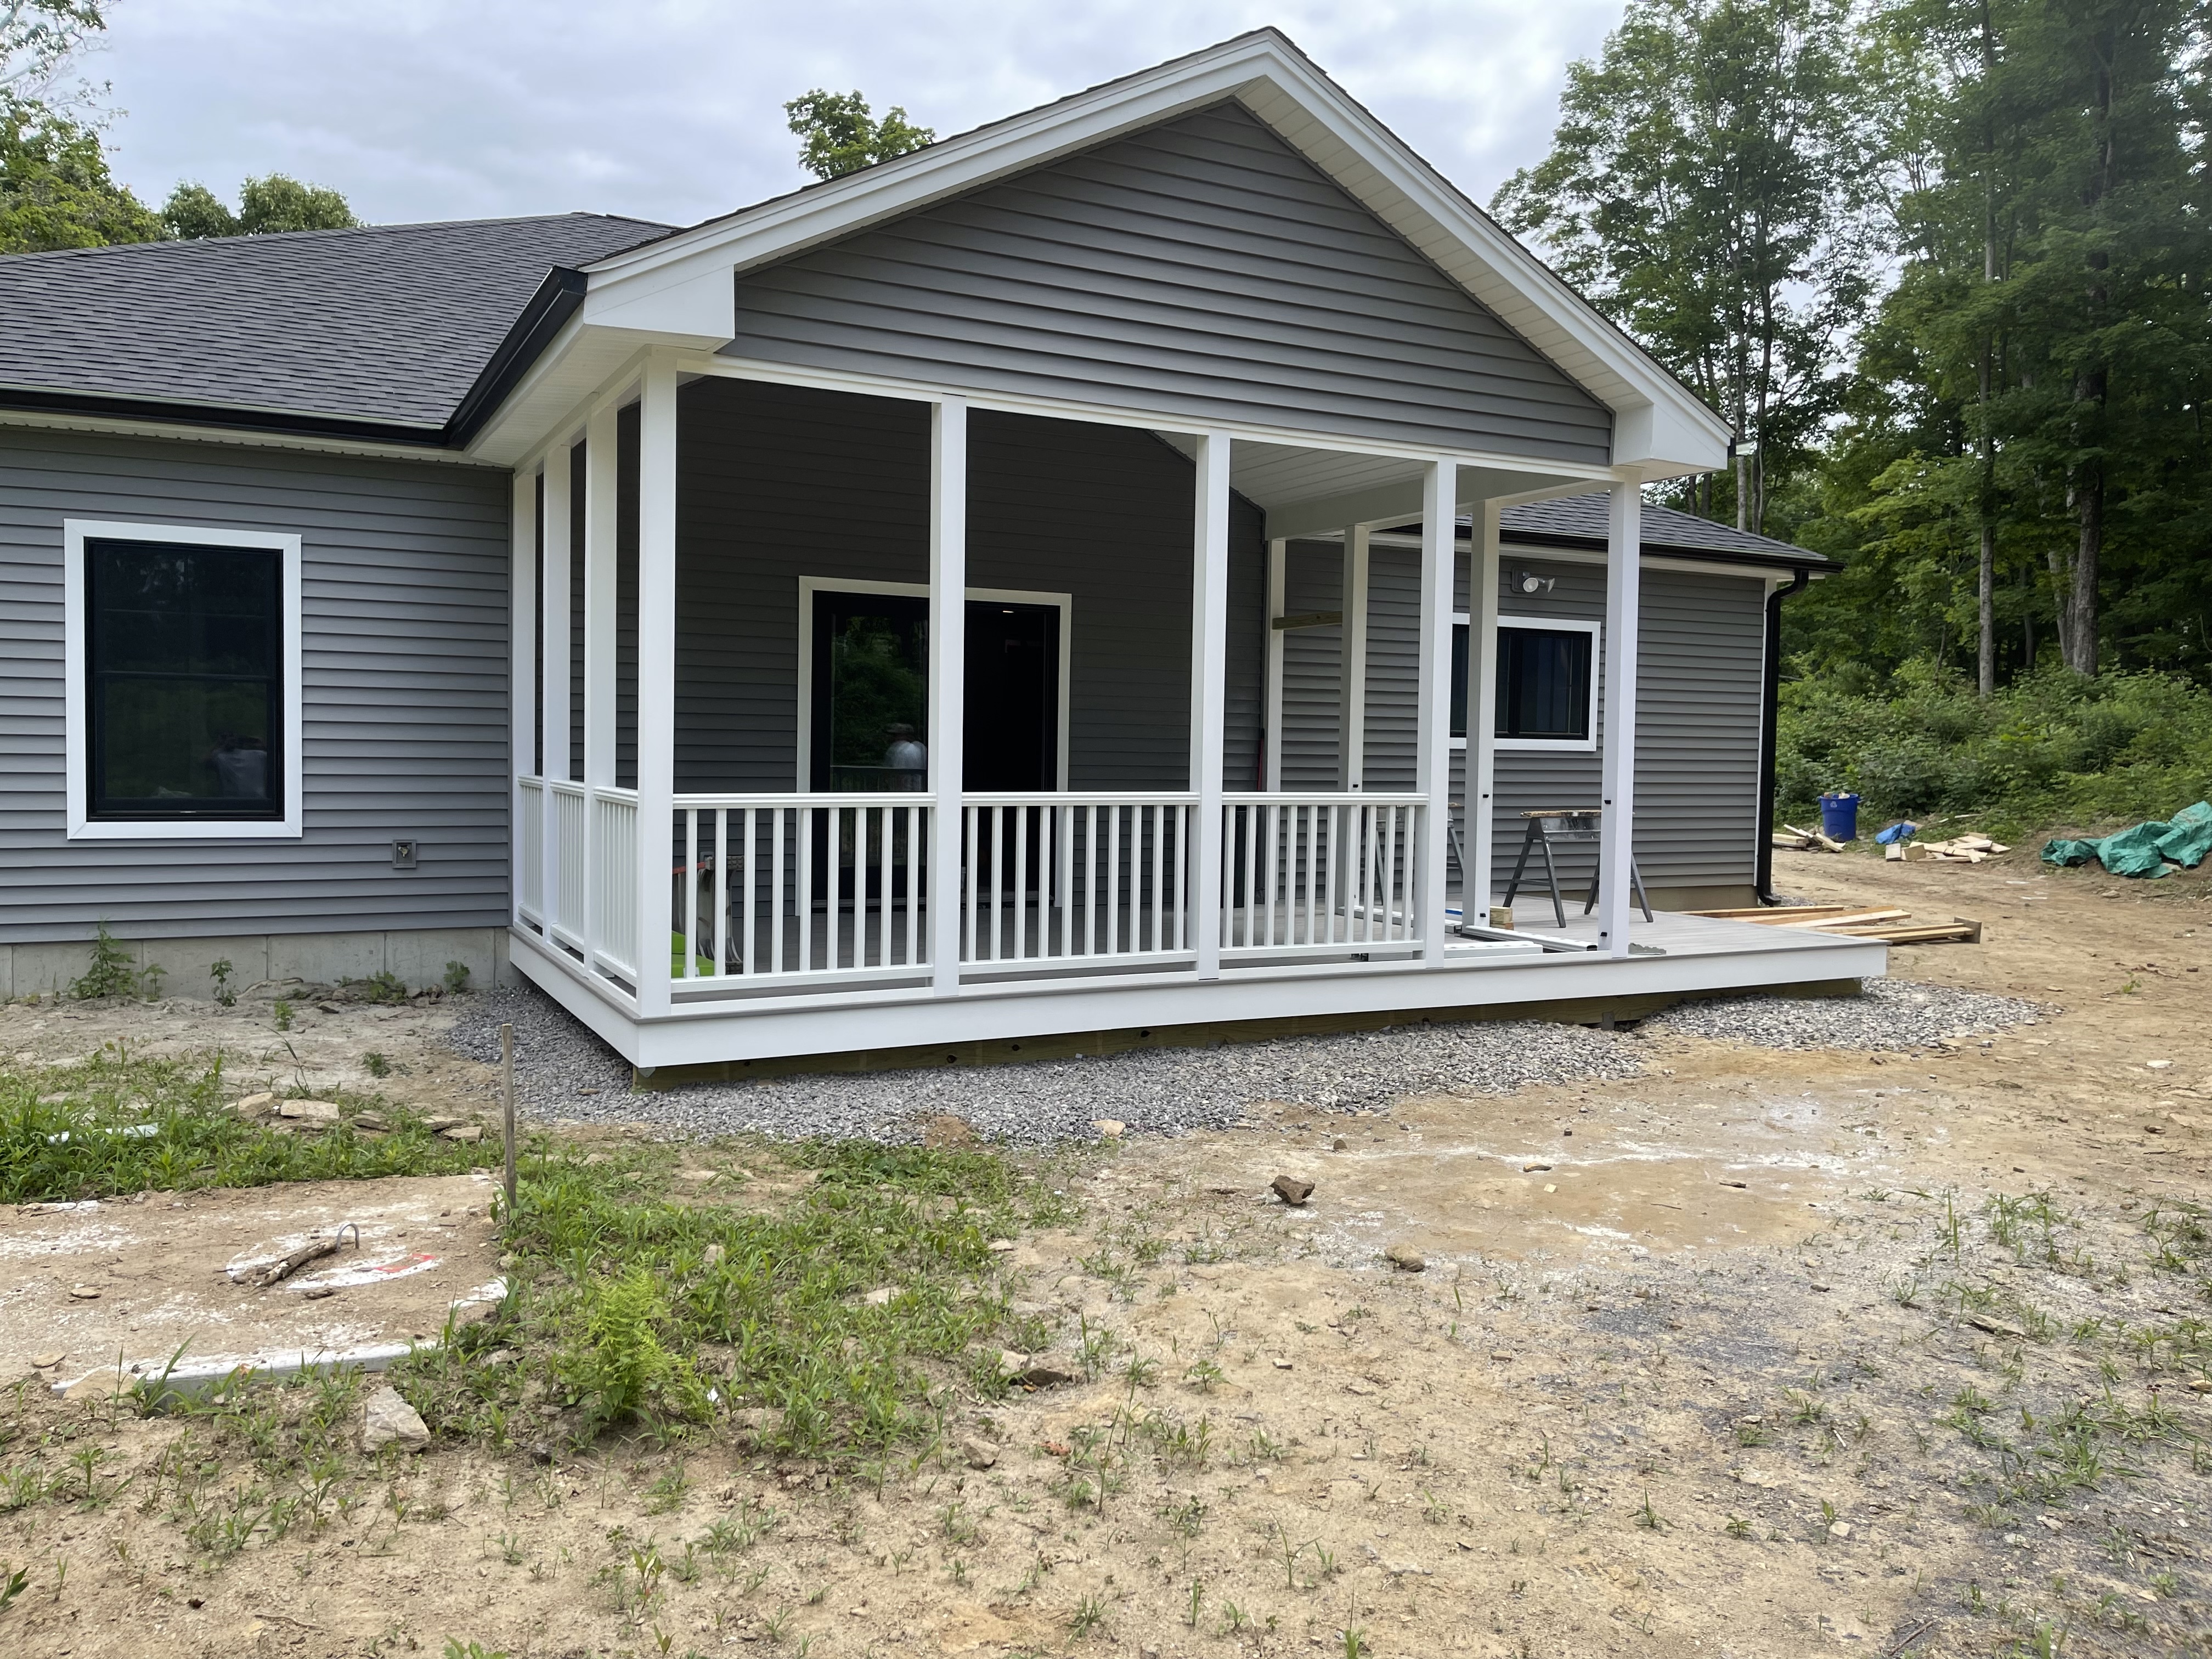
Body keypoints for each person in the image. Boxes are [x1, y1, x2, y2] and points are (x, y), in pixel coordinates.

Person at [211, 733, 269, 800]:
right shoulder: (222, 757)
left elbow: (277, 758)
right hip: (236, 801)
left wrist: (258, 742)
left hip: (255, 800)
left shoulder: (259, 755)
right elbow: (204, 762)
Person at [884, 723, 927, 789]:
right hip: (919, 789)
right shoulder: (921, 748)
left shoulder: (898, 749)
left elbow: (898, 776)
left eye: (895, 735)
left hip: (903, 791)